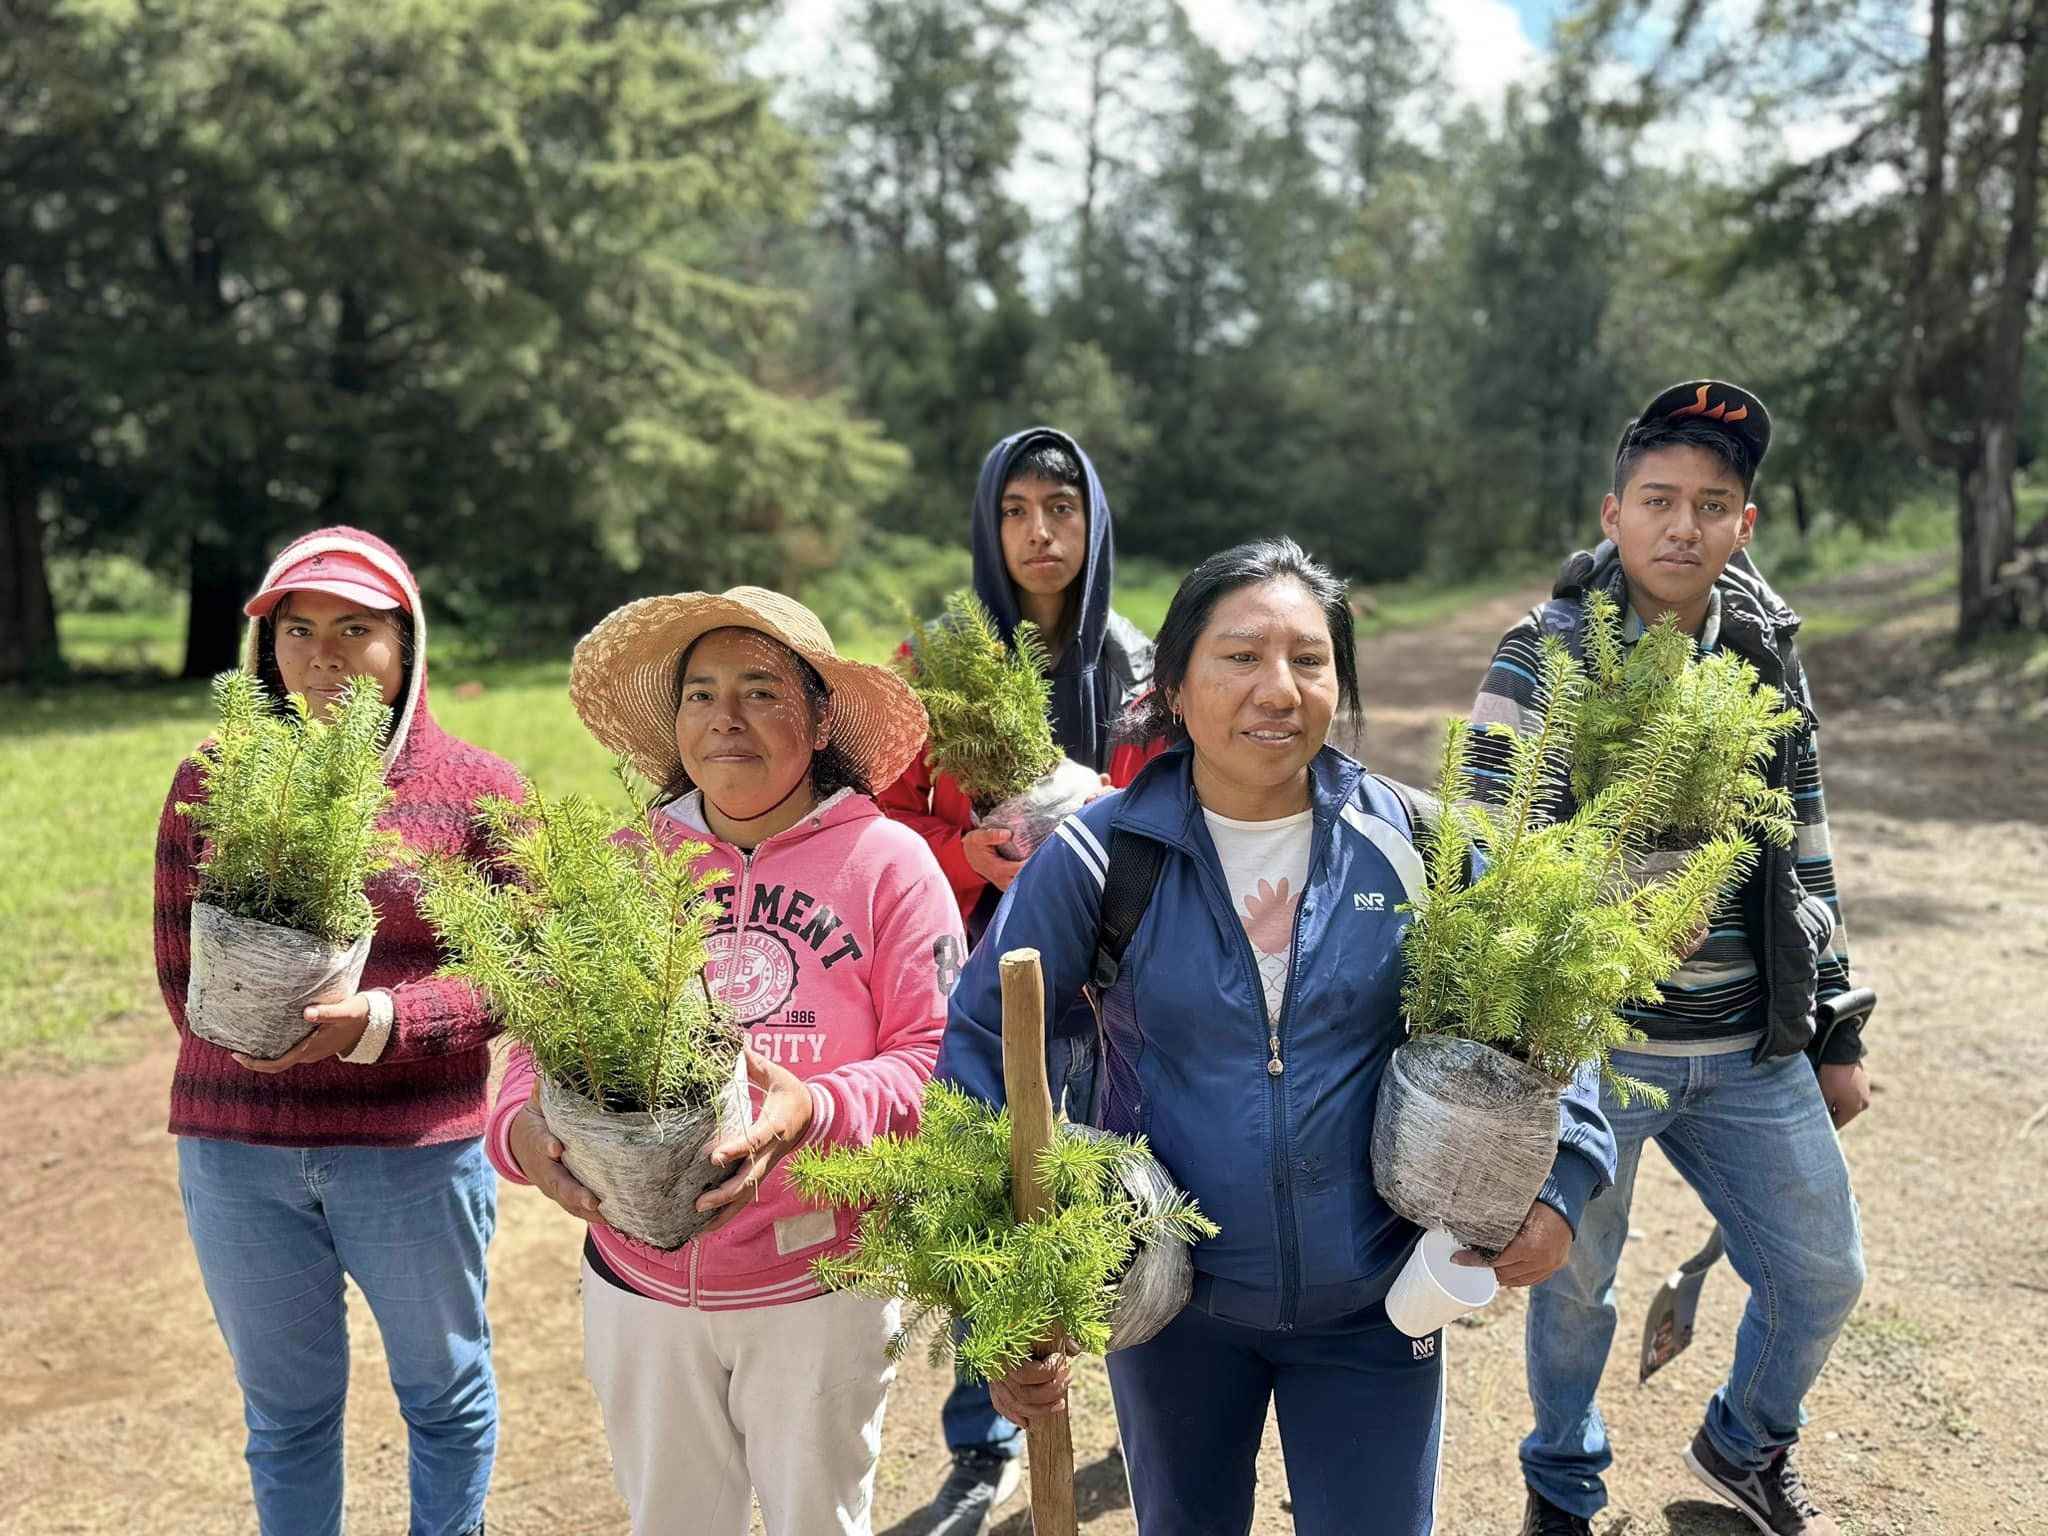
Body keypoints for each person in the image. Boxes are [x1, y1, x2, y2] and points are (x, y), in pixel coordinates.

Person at [936, 538, 1617, 1536]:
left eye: (1308, 660)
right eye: (1239, 657)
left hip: (1379, 1302)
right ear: (1171, 682)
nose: (1276, 688)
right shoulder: (1095, 858)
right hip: (1170, 1307)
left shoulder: (1419, 843)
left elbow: (1557, 1002)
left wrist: (1563, 1180)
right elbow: (980, 1057)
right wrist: (994, 1297)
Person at [1468, 382, 1866, 1536]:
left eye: (1712, 503)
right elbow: (1487, 846)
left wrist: (1835, 1024)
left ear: (1743, 524)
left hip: (1746, 1046)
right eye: (1657, 500)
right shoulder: (1542, 655)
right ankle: (1561, 1477)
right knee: (1574, 1289)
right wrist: (1609, 904)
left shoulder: (1759, 654)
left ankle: (1742, 1442)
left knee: (1821, 1273)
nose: (1681, 526)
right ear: (1611, 512)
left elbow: (1804, 839)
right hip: (1595, 1054)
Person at [487, 586, 962, 1536]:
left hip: (820, 1277)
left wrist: (813, 1112)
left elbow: (936, 1059)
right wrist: (522, 1135)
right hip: (640, 1280)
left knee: (815, 1521)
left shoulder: (889, 863)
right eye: (700, 694)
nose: (725, 719)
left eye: (760, 690)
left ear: (822, 715)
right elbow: (540, 1048)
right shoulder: (626, 864)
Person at [156, 526, 521, 1536]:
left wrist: (384, 1024)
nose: (322, 656)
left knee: (443, 1399)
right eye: (296, 630)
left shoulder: (482, 792)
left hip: (412, 1153)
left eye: (354, 629)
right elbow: (182, 970)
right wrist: (259, 1032)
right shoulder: (214, 780)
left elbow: (516, 975)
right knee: (286, 1415)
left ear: (406, 646)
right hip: (239, 1152)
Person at [877, 427, 1152, 1535]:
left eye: (1063, 509)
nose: (1041, 533)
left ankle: (1148, 1405)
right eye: (1016, 511)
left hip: (1117, 980)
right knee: (987, 1183)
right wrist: (965, 857)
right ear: (987, 527)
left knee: (1126, 1192)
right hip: (973, 977)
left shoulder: (1141, 664)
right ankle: (979, 1442)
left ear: (1093, 525)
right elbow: (878, 812)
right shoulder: (930, 667)